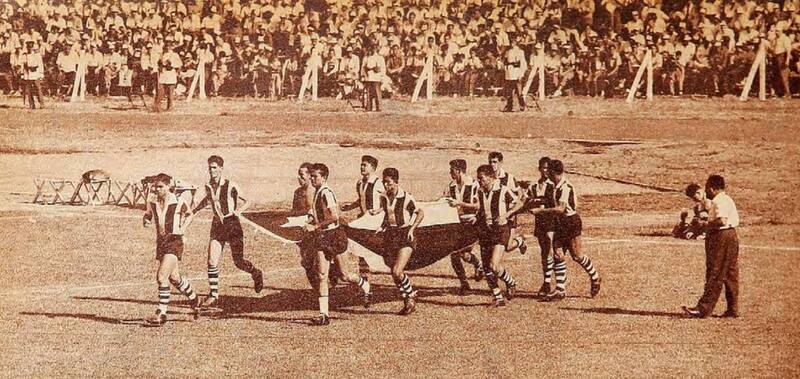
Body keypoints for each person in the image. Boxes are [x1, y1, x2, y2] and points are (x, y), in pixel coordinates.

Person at [190, 155, 264, 309]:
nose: (212, 171)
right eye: (210, 167)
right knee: (211, 261)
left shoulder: (231, 185)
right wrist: (193, 210)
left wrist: (239, 211)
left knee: (238, 262)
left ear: (221, 169)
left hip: (232, 224)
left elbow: (248, 200)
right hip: (217, 225)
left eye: (215, 167)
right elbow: (207, 200)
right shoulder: (208, 186)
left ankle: (256, 273)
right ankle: (214, 294)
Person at [304, 163, 371, 325]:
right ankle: (324, 314)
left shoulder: (326, 193)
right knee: (322, 275)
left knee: (344, 275)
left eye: (315, 176)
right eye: (311, 176)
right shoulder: (317, 192)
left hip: (334, 235)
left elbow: (334, 216)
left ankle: (364, 284)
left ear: (324, 178)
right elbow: (322, 214)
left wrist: (315, 226)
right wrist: (312, 220)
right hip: (322, 237)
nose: (312, 179)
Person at [142, 174, 200, 327]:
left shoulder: (178, 201)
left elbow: (190, 214)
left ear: (168, 186)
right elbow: (148, 214)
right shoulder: (152, 201)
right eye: (156, 186)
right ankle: (195, 299)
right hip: (161, 242)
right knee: (174, 278)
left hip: (174, 242)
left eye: (160, 187)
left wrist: (182, 228)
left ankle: (161, 313)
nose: (157, 189)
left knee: (162, 277)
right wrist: (146, 220)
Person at [539, 160, 601, 301]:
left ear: (553, 172)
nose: (546, 173)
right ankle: (560, 290)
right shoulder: (552, 185)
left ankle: (595, 276)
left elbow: (560, 208)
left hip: (571, 222)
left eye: (548, 171)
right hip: (560, 222)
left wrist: (540, 212)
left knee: (577, 256)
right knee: (558, 254)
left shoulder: (565, 187)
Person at [463, 164, 522, 307]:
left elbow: (519, 203)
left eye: (481, 178)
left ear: (490, 177)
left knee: (494, 265)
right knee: (487, 267)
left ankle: (510, 282)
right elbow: (482, 211)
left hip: (500, 230)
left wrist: (506, 215)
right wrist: (476, 218)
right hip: (485, 231)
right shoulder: (480, 192)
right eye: (478, 179)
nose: (479, 181)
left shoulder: (502, 190)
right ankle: (498, 297)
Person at [683, 175, 740, 318]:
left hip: (721, 236)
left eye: (707, 187)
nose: (706, 190)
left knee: (715, 272)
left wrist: (705, 225)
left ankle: (703, 308)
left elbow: (722, 221)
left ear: (712, 188)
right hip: (731, 236)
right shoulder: (726, 199)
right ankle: (732, 309)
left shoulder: (718, 201)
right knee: (730, 274)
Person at [375, 167, 425, 315]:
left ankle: (410, 296)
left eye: (389, 183)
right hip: (391, 235)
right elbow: (387, 215)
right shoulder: (383, 197)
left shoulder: (406, 197)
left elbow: (420, 213)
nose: (386, 186)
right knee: (393, 272)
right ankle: (408, 299)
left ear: (396, 182)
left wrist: (411, 229)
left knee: (397, 271)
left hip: (404, 234)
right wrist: (382, 226)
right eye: (384, 182)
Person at [443, 158, 484, 294]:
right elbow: (444, 200)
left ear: (458, 170)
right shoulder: (451, 186)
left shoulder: (474, 185)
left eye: (452, 170)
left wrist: (459, 203)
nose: (450, 173)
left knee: (463, 254)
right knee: (454, 254)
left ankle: (478, 265)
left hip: (472, 223)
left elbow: (479, 205)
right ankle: (464, 283)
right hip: (457, 224)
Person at [341, 155, 385, 280]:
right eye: (361, 164)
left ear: (373, 168)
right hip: (364, 220)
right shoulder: (360, 183)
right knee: (361, 250)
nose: (362, 167)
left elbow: (389, 200)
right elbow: (361, 199)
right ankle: (365, 281)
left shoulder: (378, 183)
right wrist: (350, 207)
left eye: (365, 165)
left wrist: (380, 210)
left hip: (375, 221)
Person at [522, 157, 557, 296]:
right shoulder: (534, 186)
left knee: (552, 250)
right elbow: (525, 200)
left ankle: (553, 283)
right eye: (543, 168)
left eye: (548, 168)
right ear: (539, 169)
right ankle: (547, 282)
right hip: (540, 222)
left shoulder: (554, 185)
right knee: (544, 252)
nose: (546, 171)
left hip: (552, 221)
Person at [488, 151, 527, 254]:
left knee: (508, 247)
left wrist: (513, 207)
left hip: (508, 215)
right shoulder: (489, 177)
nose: (492, 164)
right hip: (495, 217)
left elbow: (520, 193)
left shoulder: (508, 178)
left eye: (495, 162)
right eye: (490, 162)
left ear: (501, 163)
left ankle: (520, 241)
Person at [292, 162, 320, 288]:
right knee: (306, 263)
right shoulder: (297, 192)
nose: (299, 177)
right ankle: (318, 290)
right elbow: (293, 212)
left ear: (310, 176)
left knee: (318, 262)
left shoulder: (314, 191)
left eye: (302, 174)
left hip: (315, 231)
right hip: (303, 232)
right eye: (298, 174)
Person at [502, 35, 527, 112]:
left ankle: (522, 105)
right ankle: (509, 106)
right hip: (509, 73)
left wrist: (521, 74)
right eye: (511, 42)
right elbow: (505, 62)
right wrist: (505, 71)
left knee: (519, 91)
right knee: (509, 91)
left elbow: (523, 64)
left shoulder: (520, 52)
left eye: (513, 42)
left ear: (516, 42)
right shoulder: (508, 52)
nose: (512, 43)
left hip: (516, 72)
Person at [362, 43, 386, 111]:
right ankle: (369, 106)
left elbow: (383, 68)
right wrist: (363, 76)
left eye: (375, 48)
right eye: (372, 48)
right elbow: (363, 68)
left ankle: (379, 107)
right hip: (369, 77)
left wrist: (382, 77)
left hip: (377, 77)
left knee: (377, 93)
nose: (373, 50)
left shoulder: (380, 58)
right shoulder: (366, 57)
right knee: (369, 93)